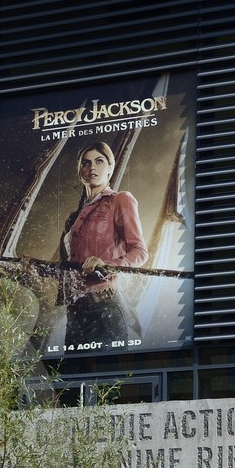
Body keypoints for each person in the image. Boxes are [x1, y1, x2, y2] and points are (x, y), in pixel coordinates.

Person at [60, 141, 148, 349]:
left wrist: (105, 264)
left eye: (99, 161)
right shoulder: (73, 219)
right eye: (86, 163)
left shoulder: (120, 200)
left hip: (104, 305)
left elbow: (140, 251)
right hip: (75, 309)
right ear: (79, 171)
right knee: (70, 379)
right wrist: (33, 267)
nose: (92, 168)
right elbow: (69, 268)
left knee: (106, 378)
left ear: (110, 167)